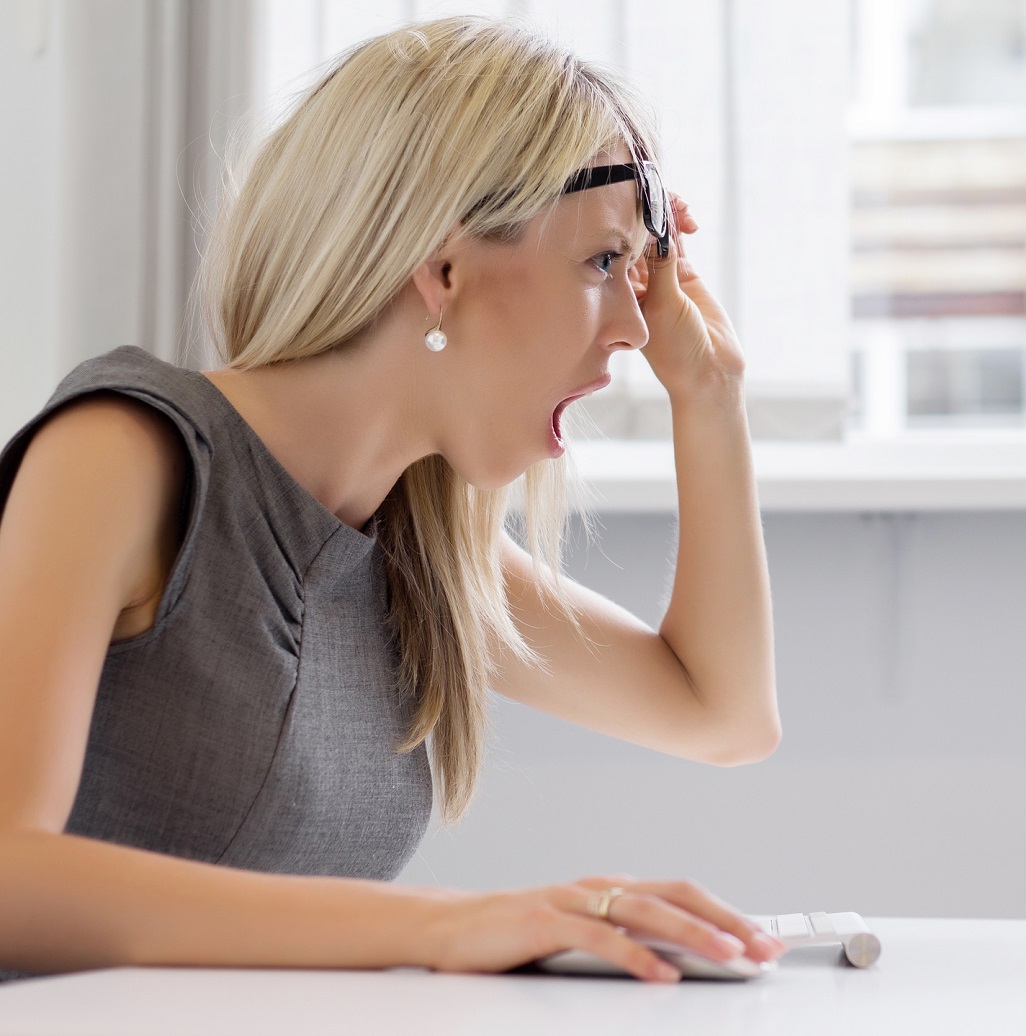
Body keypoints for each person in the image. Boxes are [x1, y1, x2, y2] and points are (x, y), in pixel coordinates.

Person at [0, 17, 782, 984]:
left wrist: (711, 399)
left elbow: (724, 717)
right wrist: (443, 926)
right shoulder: (125, 454)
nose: (636, 328)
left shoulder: (419, 552)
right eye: (601, 263)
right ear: (444, 269)